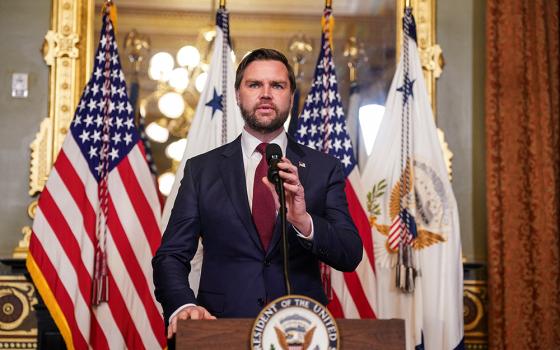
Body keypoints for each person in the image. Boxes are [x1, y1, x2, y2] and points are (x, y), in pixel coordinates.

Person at [152, 48, 363, 338]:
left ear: (291, 96)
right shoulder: (202, 170)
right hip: (220, 330)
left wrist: (303, 221)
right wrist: (183, 305)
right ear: (238, 94)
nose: (266, 94)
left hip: (302, 332)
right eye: (254, 85)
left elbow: (350, 254)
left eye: (277, 85)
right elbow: (171, 255)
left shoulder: (324, 169)